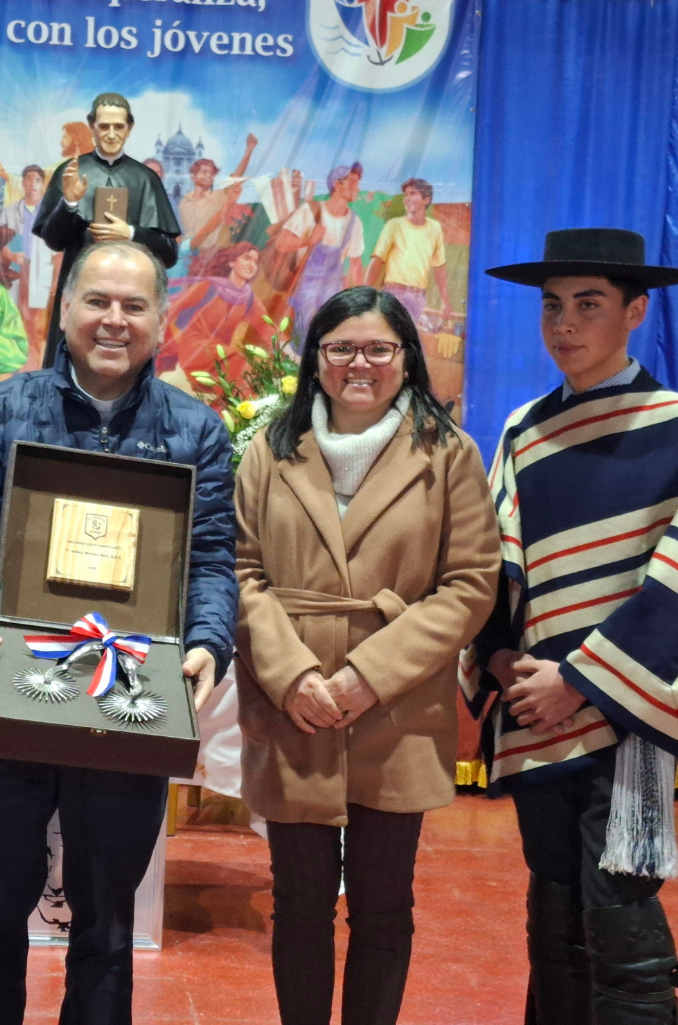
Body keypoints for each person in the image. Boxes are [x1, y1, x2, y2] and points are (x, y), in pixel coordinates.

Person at [235, 285, 500, 1025]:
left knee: (384, 907)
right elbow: (240, 573)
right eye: (341, 347)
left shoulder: (449, 452)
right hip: (294, 708)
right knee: (299, 905)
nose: (360, 363)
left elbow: (471, 582)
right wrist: (293, 678)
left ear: (406, 359)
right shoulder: (270, 449)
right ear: (316, 360)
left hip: (399, 707)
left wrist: (368, 675)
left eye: (379, 348)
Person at [0, 239, 238, 1025]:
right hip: (11, 688)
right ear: (63, 308)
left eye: (134, 306)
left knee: (105, 922)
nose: (114, 320)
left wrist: (208, 641)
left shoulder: (196, 430)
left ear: (161, 319)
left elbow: (209, 556)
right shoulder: (7, 407)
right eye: (97, 301)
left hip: (124, 688)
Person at [461, 227, 678, 1024]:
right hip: (535, 716)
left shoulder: (673, 422)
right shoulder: (526, 430)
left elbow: (675, 585)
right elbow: (495, 563)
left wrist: (580, 680)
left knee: (621, 917)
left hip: (630, 719)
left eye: (589, 305)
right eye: (553, 306)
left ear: (637, 312)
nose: (565, 324)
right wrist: (496, 662)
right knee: (553, 919)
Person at [33, 92, 181, 367]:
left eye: (118, 126)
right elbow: (53, 240)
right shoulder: (71, 170)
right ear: (92, 127)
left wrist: (131, 234)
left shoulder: (146, 179)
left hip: (129, 301)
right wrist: (71, 201)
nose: (111, 134)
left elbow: (169, 253)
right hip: (82, 294)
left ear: (129, 128)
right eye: (104, 126)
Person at [276, 163, 365, 351]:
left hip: (333, 288)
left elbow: (356, 265)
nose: (357, 188)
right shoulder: (311, 210)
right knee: (301, 340)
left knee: (331, 338)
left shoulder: (354, 222)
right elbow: (281, 243)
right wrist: (309, 240)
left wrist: (362, 299)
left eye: (358, 183)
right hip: (306, 285)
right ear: (337, 184)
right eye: (352, 182)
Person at [160, 242, 272, 384]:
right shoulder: (209, 287)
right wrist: (157, 334)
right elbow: (175, 307)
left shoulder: (249, 298)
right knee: (239, 362)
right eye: (247, 258)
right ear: (232, 262)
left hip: (220, 351)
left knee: (247, 369)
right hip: (195, 346)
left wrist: (280, 352)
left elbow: (266, 327)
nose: (251, 265)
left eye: (256, 262)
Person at [366, 178, 452, 331]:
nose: (407, 199)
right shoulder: (395, 225)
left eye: (413, 194)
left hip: (419, 297)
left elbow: (439, 267)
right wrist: (364, 293)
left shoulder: (435, 228)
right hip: (395, 293)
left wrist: (445, 302)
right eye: (406, 194)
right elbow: (378, 260)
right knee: (399, 338)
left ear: (426, 199)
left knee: (408, 341)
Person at [0, 164, 54, 369]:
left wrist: (56, 279)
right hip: (17, 271)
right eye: (28, 179)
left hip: (40, 272)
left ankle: (35, 368)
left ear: (42, 184)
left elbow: (57, 252)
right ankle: (19, 369)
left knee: (38, 326)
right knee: (18, 322)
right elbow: (1, 244)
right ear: (23, 183)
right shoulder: (10, 212)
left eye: (37, 180)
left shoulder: (50, 214)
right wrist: (12, 255)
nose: (32, 184)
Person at [178, 132, 258, 260]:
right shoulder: (184, 201)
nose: (208, 176)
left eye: (211, 173)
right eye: (204, 172)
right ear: (193, 177)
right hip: (186, 257)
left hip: (209, 257)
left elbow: (236, 178)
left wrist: (249, 149)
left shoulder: (218, 197)